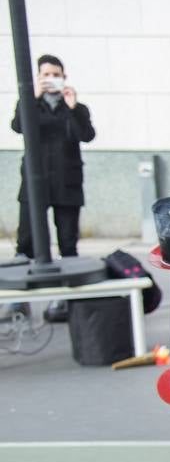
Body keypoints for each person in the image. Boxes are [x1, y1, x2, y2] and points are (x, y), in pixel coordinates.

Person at [11, 54, 95, 293]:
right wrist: (31, 97)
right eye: (45, 75)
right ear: (38, 78)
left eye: (55, 75)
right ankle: (21, 297)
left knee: (68, 241)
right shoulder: (29, 104)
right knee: (26, 240)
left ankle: (67, 298)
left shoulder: (76, 108)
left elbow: (86, 135)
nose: (51, 79)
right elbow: (18, 127)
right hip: (34, 184)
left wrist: (73, 107)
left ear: (64, 77)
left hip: (67, 182)